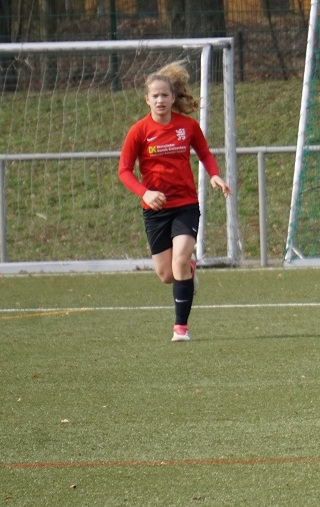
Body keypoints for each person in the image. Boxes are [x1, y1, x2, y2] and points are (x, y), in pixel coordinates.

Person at [119, 61, 230, 342]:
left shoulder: (188, 127)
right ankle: (189, 271)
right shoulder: (139, 131)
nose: (160, 100)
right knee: (167, 275)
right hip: (155, 210)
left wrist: (215, 176)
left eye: (165, 95)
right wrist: (145, 192)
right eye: (155, 95)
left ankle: (181, 328)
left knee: (180, 260)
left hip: (185, 205)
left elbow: (205, 154)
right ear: (147, 99)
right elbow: (124, 171)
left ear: (173, 98)